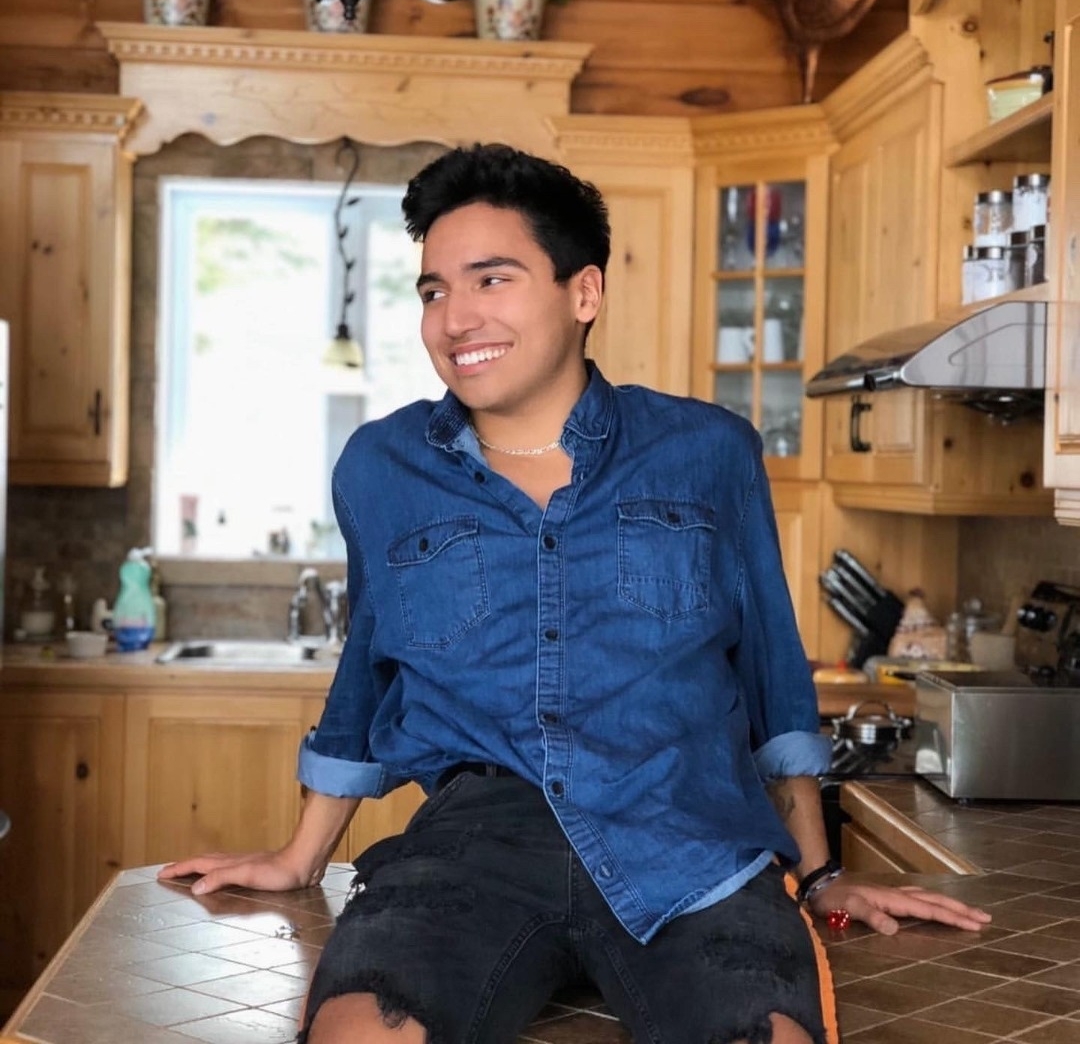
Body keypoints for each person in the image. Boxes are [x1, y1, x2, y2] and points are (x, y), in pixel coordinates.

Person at [160, 144, 991, 1044]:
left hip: (691, 846)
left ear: (584, 292)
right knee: (360, 1031)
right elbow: (368, 667)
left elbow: (770, 675)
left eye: (492, 279)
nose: (454, 318)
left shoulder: (709, 451)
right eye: (434, 291)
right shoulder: (382, 467)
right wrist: (300, 855)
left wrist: (820, 874)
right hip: (471, 851)